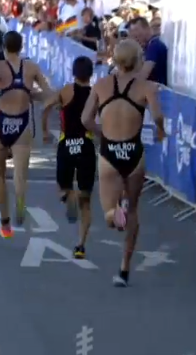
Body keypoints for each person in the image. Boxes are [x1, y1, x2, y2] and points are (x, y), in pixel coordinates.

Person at [81, 40, 165, 287]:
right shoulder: (147, 86)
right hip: (134, 153)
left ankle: (118, 216)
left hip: (109, 152)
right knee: (133, 209)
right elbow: (158, 115)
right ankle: (124, 269)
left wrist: (101, 133)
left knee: (109, 215)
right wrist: (160, 130)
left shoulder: (101, 85)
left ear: (115, 60)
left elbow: (85, 118)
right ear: (138, 60)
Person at [0, 30, 52, 239]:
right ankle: (20, 202)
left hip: (2, 123)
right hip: (22, 125)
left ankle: (5, 224)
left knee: (0, 175)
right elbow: (48, 93)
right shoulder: (31, 67)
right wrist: (29, 94)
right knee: (20, 174)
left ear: (3, 47)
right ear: (21, 47)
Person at [42, 56, 97, 259]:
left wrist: (45, 130)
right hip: (86, 145)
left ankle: (68, 196)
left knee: (63, 187)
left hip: (67, 144)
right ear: (91, 74)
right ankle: (81, 245)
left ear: (73, 72)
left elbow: (46, 107)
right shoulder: (95, 93)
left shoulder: (66, 91)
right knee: (87, 200)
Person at [128, 16, 168, 86]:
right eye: (134, 37)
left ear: (147, 29)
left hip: (158, 91)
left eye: (138, 35)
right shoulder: (147, 46)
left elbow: (142, 76)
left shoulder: (154, 45)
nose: (136, 39)